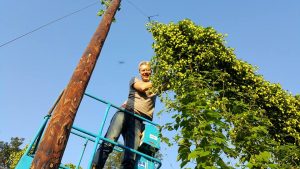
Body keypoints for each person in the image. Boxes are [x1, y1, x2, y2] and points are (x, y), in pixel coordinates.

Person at [92, 61, 156, 169]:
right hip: (125, 113)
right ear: (140, 72)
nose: (145, 72)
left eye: (147, 70)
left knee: (131, 154)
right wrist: (158, 81)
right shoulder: (135, 80)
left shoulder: (156, 88)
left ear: (151, 71)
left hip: (138, 120)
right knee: (109, 141)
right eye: (143, 70)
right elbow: (142, 88)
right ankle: (95, 166)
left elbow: (170, 84)